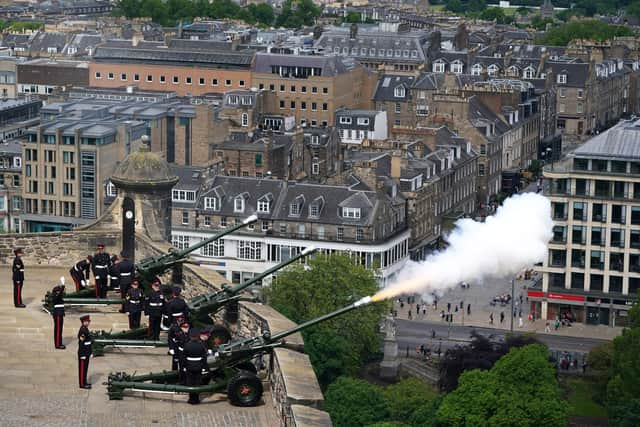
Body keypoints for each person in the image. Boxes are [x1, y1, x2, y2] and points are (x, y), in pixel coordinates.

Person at [183, 328, 209, 404]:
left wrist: (184, 366)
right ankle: (196, 399)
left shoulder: (187, 345)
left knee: (190, 382)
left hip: (189, 366)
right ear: (197, 336)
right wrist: (204, 367)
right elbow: (204, 358)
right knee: (197, 382)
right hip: (199, 366)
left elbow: (184, 357)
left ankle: (191, 399)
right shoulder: (201, 345)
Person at [77, 315, 93, 389]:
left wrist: (90, 352)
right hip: (83, 352)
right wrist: (82, 354)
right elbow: (81, 343)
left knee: (85, 368)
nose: (88, 323)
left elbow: (88, 343)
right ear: (84, 322)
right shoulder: (83, 331)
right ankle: (82, 384)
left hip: (86, 352)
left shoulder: (85, 329)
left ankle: (84, 382)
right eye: (87, 321)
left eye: (88, 321)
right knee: (82, 369)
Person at [51, 278, 66, 349]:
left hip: (60, 314)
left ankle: (59, 342)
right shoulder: (56, 296)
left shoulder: (57, 296)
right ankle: (57, 344)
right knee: (58, 330)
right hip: (58, 314)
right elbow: (60, 294)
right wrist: (63, 285)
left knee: (60, 330)